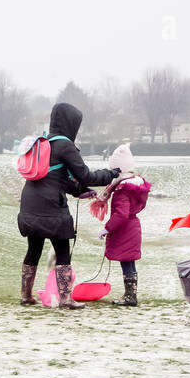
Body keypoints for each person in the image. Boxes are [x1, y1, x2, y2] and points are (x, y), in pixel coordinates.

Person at [17, 103, 119, 309]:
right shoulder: (65, 145)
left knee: (33, 249)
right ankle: (65, 299)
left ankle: (26, 295)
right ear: (71, 123)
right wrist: (111, 173)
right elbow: (86, 175)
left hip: (30, 205)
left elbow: (57, 179)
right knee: (63, 250)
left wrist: (80, 190)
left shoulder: (43, 142)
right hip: (51, 207)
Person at [94, 143, 151, 307]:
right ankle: (131, 294)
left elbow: (121, 214)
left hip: (125, 230)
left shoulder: (122, 190)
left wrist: (107, 228)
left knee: (126, 262)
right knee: (129, 262)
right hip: (133, 227)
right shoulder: (135, 186)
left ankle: (130, 296)